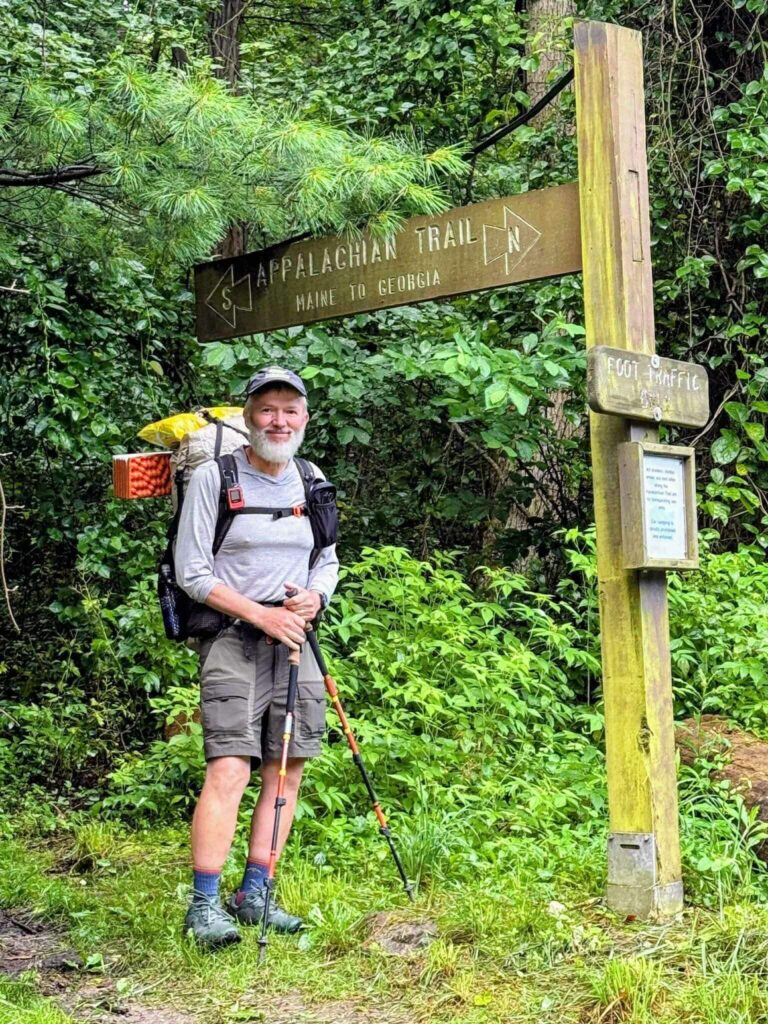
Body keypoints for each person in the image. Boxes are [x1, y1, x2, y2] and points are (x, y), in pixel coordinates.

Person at [174, 366, 338, 948]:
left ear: (305, 419)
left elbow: (327, 558)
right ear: (249, 418)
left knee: (287, 766)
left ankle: (255, 894)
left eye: (290, 410)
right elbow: (191, 572)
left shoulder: (312, 478)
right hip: (231, 637)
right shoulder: (215, 480)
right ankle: (203, 905)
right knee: (230, 766)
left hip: (295, 640)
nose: (279, 420)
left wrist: (315, 596)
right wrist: (260, 612)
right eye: (267, 409)